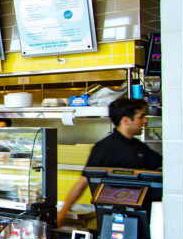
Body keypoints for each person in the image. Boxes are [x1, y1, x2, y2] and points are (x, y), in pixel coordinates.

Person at [57, 97, 162, 227]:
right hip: (114, 219)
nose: (145, 121)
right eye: (141, 117)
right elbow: (83, 182)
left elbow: (161, 168)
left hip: (141, 217)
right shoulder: (104, 148)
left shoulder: (139, 147)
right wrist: (63, 212)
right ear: (126, 120)